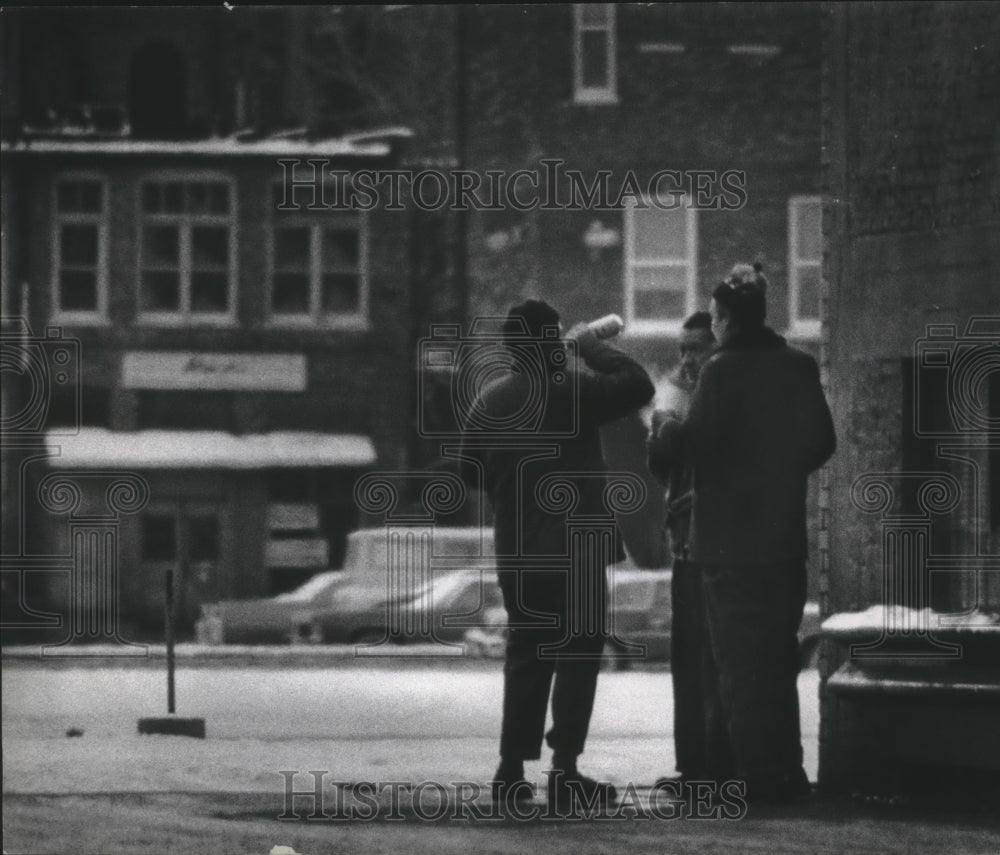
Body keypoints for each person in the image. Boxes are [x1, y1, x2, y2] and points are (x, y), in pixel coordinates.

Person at [458, 299, 654, 812]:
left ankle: (509, 771)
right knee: (577, 655)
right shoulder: (573, 390)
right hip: (578, 547)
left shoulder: (488, 402)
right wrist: (593, 347)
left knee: (526, 655)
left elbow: (469, 474)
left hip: (520, 552)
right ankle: (564, 771)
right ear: (551, 343)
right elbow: (639, 385)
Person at [683, 262, 836, 802]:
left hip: (728, 544)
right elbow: (821, 444)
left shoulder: (720, 371)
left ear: (724, 319)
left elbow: (695, 442)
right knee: (776, 660)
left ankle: (754, 780)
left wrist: (665, 431)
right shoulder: (799, 365)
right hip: (782, 540)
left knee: (738, 666)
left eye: (717, 320)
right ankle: (786, 773)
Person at [646, 311, 715, 783]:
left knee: (711, 659)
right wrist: (661, 431)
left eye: (698, 347)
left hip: (716, 546)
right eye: (683, 348)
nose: (688, 358)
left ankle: (712, 764)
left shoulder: (723, 395)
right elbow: (661, 467)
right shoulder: (676, 394)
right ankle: (691, 764)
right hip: (685, 544)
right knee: (687, 659)